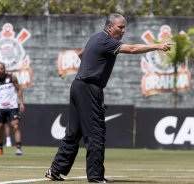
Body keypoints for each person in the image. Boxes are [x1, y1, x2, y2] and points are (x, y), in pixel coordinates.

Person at [45, 13, 173, 183]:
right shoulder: (106, 41)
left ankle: (56, 169)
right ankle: (96, 176)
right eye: (120, 27)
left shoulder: (95, 38)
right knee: (96, 132)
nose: (123, 31)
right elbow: (133, 49)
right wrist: (158, 46)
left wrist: (90, 65)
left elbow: (81, 54)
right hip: (89, 88)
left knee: (73, 132)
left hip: (78, 85)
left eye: (124, 27)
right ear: (110, 26)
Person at [0, 62, 25, 155]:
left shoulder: (12, 78)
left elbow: (19, 89)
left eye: (1, 68)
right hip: (1, 108)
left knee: (15, 126)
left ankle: (18, 148)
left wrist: (21, 103)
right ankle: (0, 149)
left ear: (5, 69)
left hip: (13, 107)